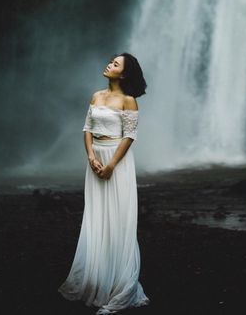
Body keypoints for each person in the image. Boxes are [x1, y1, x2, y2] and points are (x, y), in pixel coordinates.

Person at [59, 53, 149, 313]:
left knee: (118, 218)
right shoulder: (96, 95)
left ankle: (118, 284)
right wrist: (91, 158)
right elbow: (87, 128)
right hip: (96, 157)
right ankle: (97, 277)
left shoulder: (128, 101)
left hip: (117, 162)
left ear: (123, 74)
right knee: (96, 217)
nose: (110, 64)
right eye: (111, 61)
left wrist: (110, 165)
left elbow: (129, 136)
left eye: (116, 64)